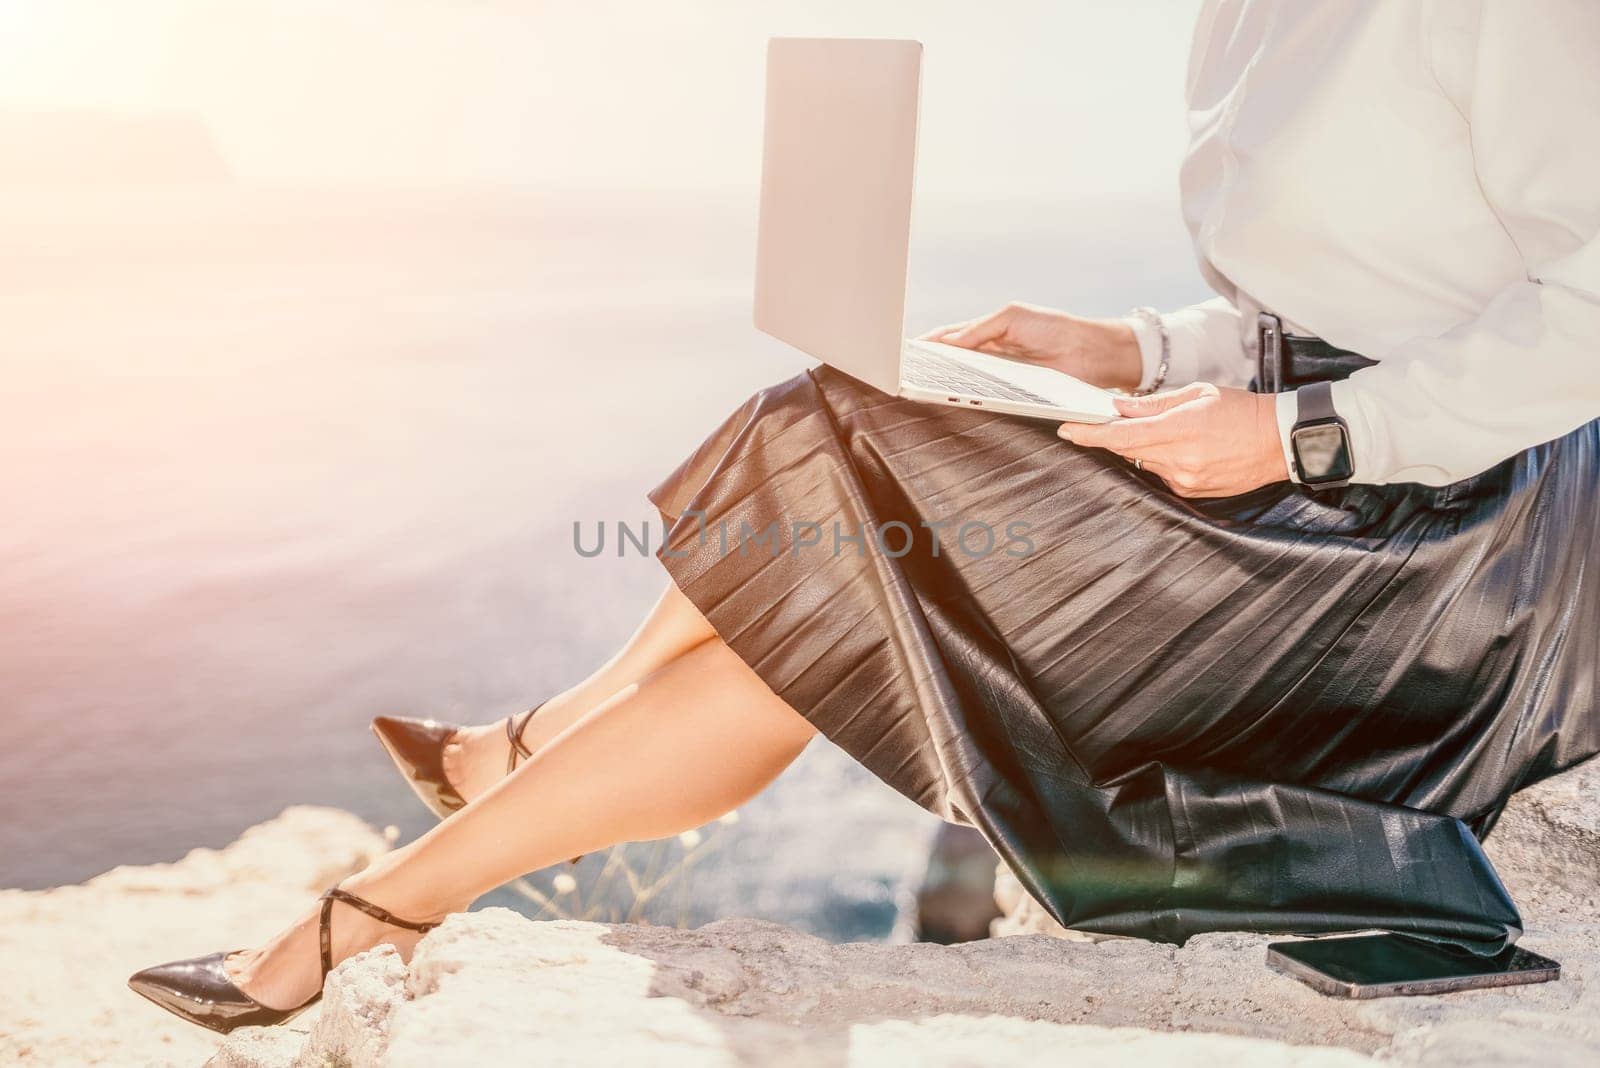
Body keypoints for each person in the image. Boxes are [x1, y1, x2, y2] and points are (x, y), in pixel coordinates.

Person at [131, 0, 1600, 1032]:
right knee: (822, 528)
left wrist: (1303, 431)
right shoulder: (1251, 12)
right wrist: (1131, 348)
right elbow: (1346, 299)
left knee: (820, 436)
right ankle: (383, 903)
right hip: (1304, 469)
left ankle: (479, 797)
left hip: (1439, 546)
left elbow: (1577, 312)